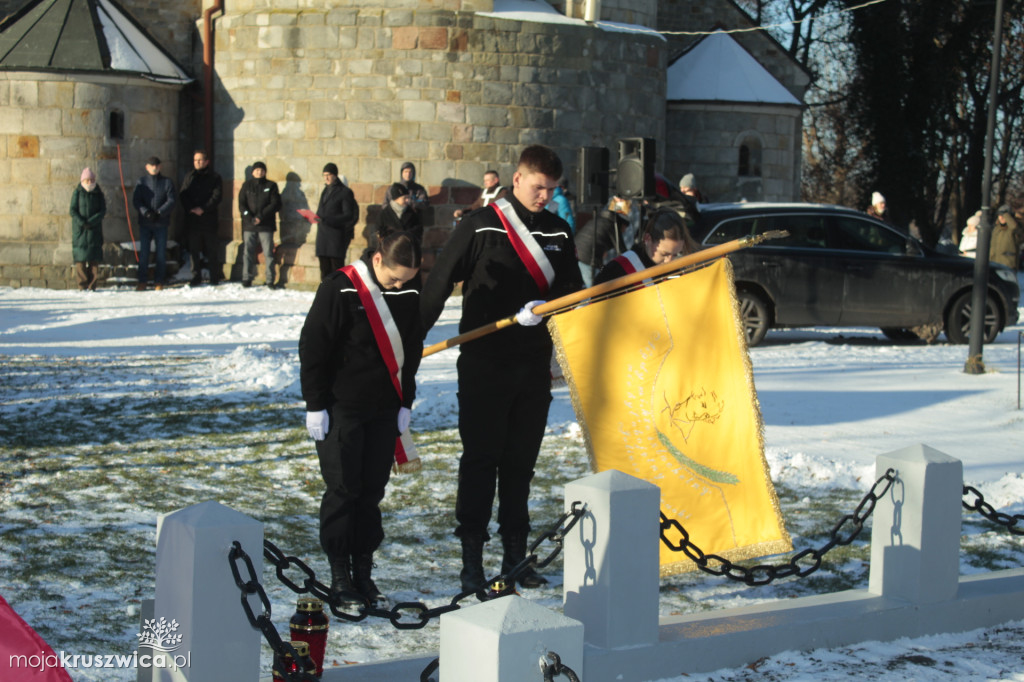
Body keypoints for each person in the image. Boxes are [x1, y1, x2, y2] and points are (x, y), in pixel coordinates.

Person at [420, 144, 583, 593]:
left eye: (551, 190)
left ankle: (516, 559)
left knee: (520, 466)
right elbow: (437, 285)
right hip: (484, 365)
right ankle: (471, 561)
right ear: (517, 179)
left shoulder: (558, 232)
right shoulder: (480, 225)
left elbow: (574, 291)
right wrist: (409, 340)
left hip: (532, 368)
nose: (544, 197)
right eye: (537, 188)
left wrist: (550, 309)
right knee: (480, 462)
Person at [299, 230, 424, 609]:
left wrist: (406, 401)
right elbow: (314, 346)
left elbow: (412, 348)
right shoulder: (340, 288)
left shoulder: (410, 290)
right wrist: (315, 404)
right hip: (342, 408)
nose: (401, 284)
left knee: (371, 493)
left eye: (408, 278)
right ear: (377, 260)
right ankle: (340, 575)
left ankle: (364, 574)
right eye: (395, 278)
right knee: (344, 491)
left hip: (384, 409)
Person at [594, 208, 700, 285]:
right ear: (647, 239)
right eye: (664, 254)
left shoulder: (676, 271)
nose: (669, 262)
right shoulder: (617, 270)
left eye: (676, 254)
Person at [180, 150, 224, 286]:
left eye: (200, 160)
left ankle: (214, 277)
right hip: (193, 219)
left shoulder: (215, 177)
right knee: (194, 250)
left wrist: (203, 208)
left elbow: (217, 196)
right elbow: (183, 194)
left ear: (206, 162)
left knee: (211, 250)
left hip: (209, 219)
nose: (197, 163)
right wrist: (191, 208)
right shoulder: (189, 176)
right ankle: (196, 276)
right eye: (195, 160)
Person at [132, 156, 176, 291]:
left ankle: (159, 281)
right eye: (152, 165)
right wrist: (146, 212)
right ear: (147, 167)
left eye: (156, 165)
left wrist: (159, 213)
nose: (154, 167)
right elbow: (137, 201)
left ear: (160, 167)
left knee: (161, 254)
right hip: (145, 223)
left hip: (161, 223)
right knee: (144, 253)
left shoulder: (167, 182)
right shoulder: (142, 182)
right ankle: (142, 281)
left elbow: (171, 200)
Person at [238, 161, 282, 288]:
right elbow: (241, 204)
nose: (259, 172)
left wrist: (260, 216)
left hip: (266, 225)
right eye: (257, 170)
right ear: (252, 172)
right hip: (249, 225)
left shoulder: (271, 185)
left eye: (262, 170)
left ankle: (270, 279)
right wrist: (249, 216)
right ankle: (246, 278)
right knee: (248, 252)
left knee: (268, 252)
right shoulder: (247, 186)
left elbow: (274, 204)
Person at [574, 196, 631, 287]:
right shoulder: (612, 225)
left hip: (577, 255)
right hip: (587, 259)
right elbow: (622, 251)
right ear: (622, 223)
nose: (624, 231)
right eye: (625, 227)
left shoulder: (600, 220)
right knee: (592, 291)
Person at [315, 163, 359, 280]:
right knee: (324, 270)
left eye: (328, 175)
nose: (326, 178)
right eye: (324, 175)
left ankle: (338, 296)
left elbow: (348, 215)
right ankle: (325, 295)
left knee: (336, 271)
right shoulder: (325, 190)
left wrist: (328, 219)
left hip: (335, 238)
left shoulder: (344, 192)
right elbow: (322, 210)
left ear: (335, 175)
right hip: (323, 237)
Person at [70, 168, 106, 291]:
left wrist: (91, 222)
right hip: (80, 231)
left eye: (91, 180)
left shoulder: (98, 193)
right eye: (87, 180)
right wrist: (82, 222)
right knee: (80, 260)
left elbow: (102, 211)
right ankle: (82, 285)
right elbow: (73, 210)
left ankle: (92, 285)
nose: (89, 182)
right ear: (82, 180)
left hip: (94, 230)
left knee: (93, 260)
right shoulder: (77, 192)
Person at [369, 183, 423, 250]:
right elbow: (379, 231)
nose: (407, 200)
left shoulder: (411, 213)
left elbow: (418, 229)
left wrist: (408, 237)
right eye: (404, 198)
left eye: (408, 197)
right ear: (396, 198)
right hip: (390, 250)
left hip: (407, 248)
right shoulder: (385, 213)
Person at [990, 205, 1022, 270]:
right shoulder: (996, 228)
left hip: (1008, 263)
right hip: (994, 261)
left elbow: (1014, 227)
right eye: (1000, 215)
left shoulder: (1013, 229)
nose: (1001, 218)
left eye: (1004, 216)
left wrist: (1006, 215)